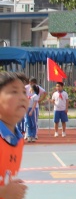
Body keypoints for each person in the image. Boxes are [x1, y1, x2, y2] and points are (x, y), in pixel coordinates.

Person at [0, 71, 29, 199]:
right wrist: (3, 192)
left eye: (24, 92)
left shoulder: (18, 140)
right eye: (14, 91)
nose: (22, 97)